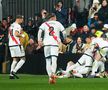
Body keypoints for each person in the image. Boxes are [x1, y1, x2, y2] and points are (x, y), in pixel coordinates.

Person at [37, 13, 66, 84]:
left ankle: (50, 77)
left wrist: (39, 40)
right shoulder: (58, 23)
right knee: (54, 59)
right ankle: (53, 73)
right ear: (53, 17)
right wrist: (64, 39)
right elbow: (64, 32)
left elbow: (39, 31)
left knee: (48, 60)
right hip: (55, 43)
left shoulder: (45, 24)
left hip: (46, 43)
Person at [8, 15, 26, 79]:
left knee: (15, 60)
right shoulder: (17, 25)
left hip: (10, 44)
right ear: (18, 19)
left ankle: (11, 75)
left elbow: (9, 35)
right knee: (23, 59)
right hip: (16, 44)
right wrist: (22, 35)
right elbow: (16, 34)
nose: (23, 20)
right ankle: (14, 71)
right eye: (22, 19)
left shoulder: (11, 25)